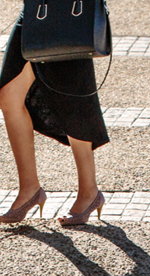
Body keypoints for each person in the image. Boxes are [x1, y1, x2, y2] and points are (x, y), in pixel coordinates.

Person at [0, 4, 109, 225]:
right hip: (37, 7)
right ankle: (29, 188)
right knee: (9, 95)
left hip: (72, 10)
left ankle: (89, 192)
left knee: (72, 97)